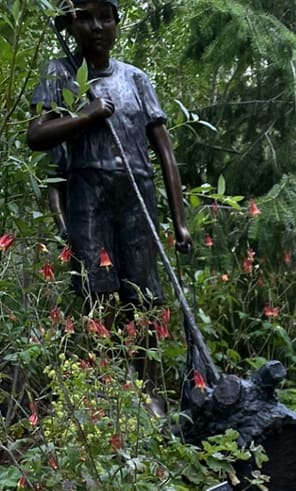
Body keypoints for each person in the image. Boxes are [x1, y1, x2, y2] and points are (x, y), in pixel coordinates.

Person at [26, 0, 192, 309]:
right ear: (71, 25)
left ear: (117, 21)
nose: (97, 26)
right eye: (85, 18)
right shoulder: (60, 72)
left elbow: (166, 154)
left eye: (105, 17)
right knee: (98, 296)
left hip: (136, 199)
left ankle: (140, 358)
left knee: (142, 297)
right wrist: (86, 115)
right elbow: (35, 135)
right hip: (89, 198)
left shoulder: (135, 79)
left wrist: (180, 222)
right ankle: (103, 357)